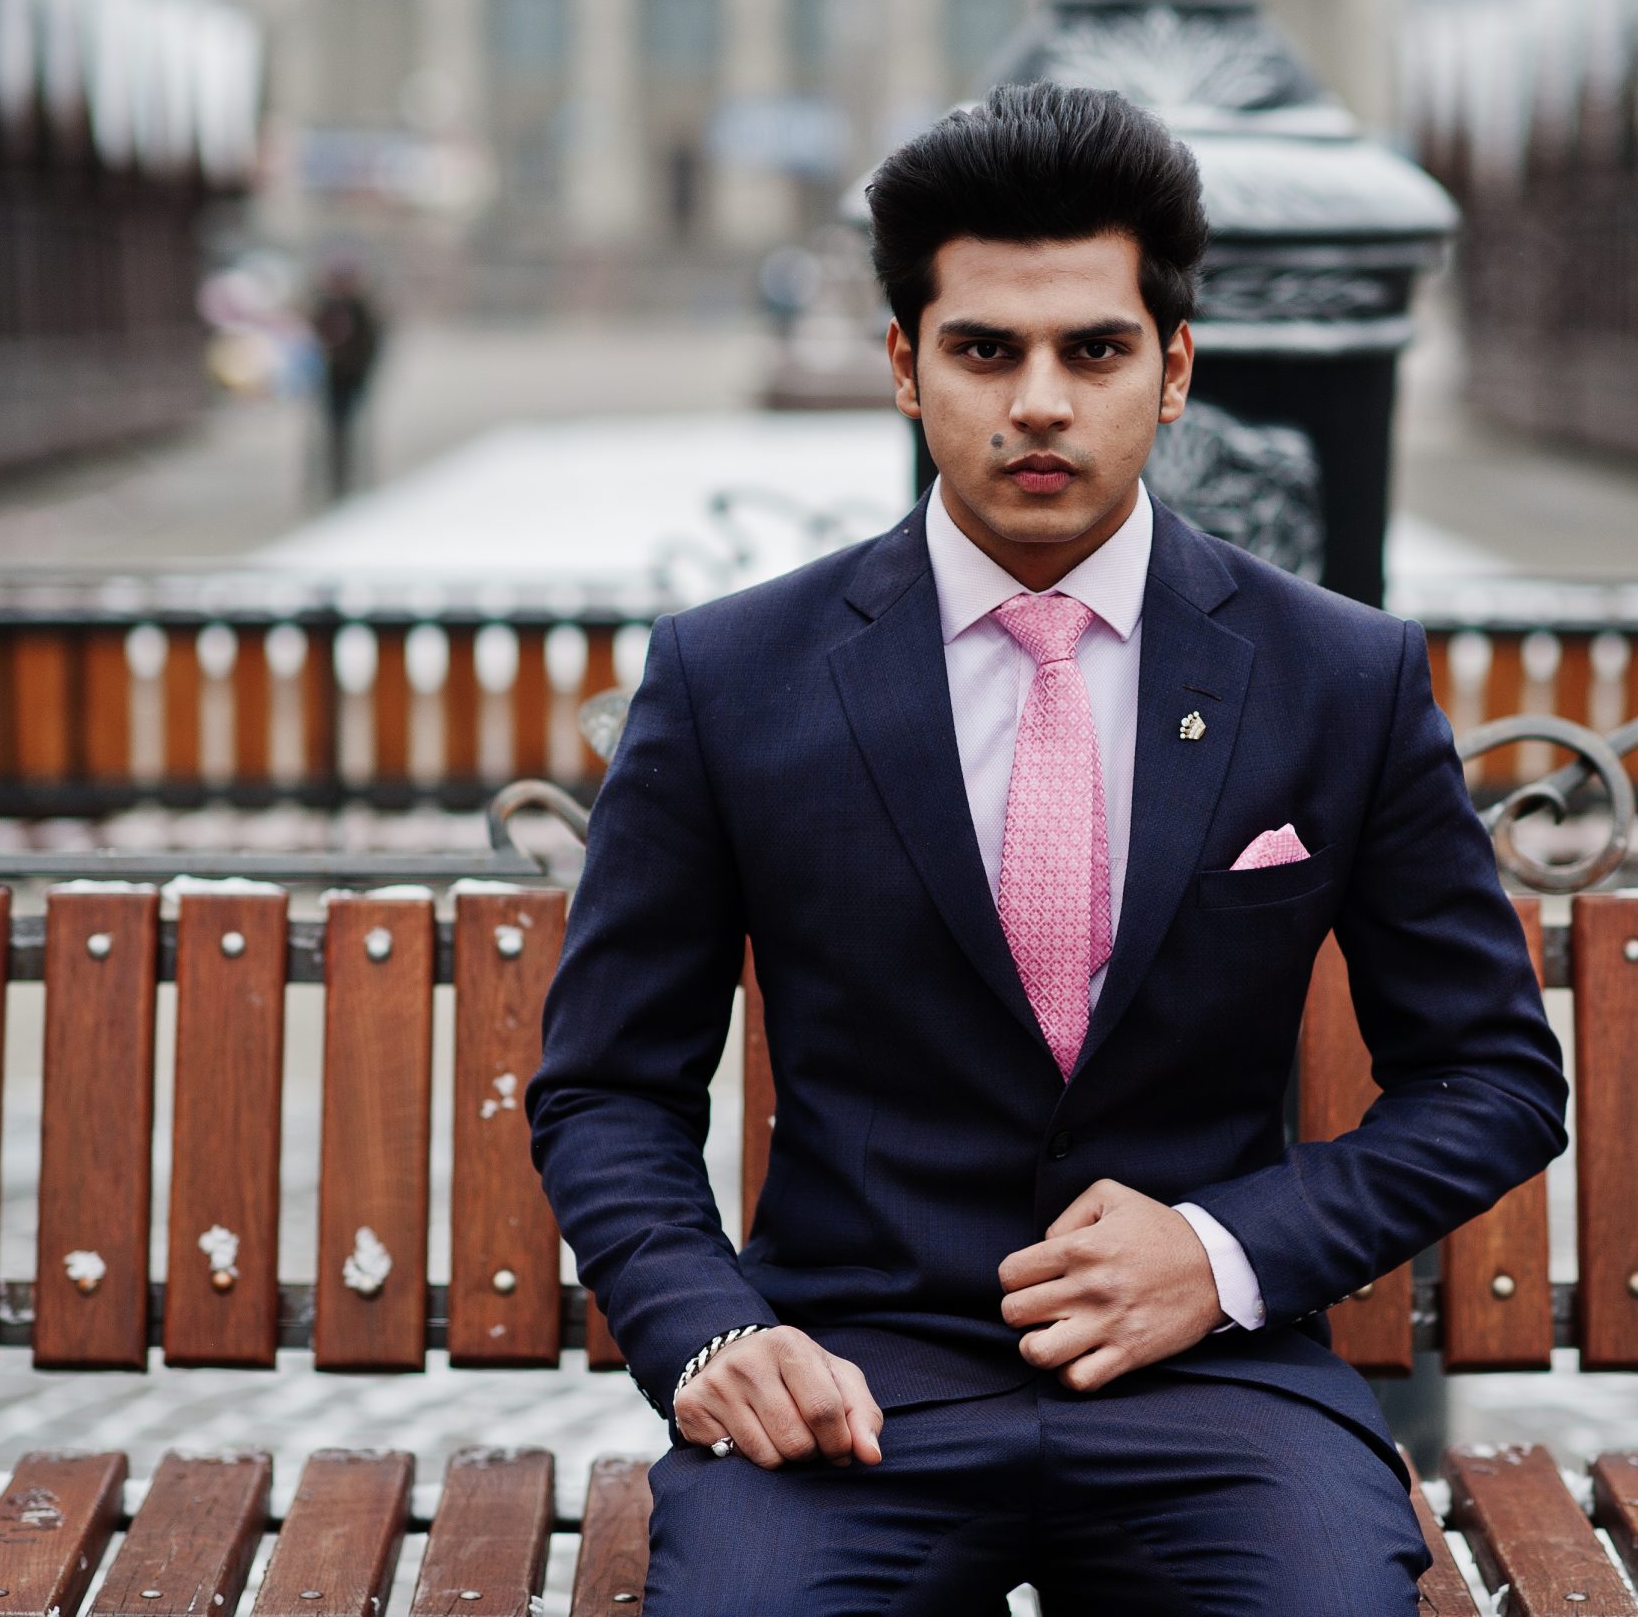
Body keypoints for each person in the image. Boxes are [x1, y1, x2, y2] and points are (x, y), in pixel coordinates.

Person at [527, 83, 1568, 1614]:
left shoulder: (1334, 675)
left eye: (1094, 348)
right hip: (846, 1378)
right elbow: (610, 1081)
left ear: (1175, 369)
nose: (1038, 400)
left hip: (1216, 1383)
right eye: (983, 349)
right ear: (905, 363)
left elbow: (1492, 1073)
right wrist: (710, 1336)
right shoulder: (729, 674)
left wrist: (1219, 1253)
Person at [308, 259, 382, 500]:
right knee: (333, 431)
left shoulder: (359, 309)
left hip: (351, 378)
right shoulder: (326, 306)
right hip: (330, 378)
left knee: (348, 431)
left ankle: (349, 479)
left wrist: (360, 369)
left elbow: (370, 344)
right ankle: (335, 481)